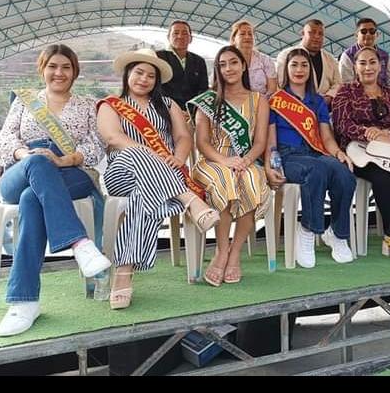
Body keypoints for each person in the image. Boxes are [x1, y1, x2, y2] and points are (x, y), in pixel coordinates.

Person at [0, 44, 109, 336]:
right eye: (53, 66)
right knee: (38, 165)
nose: (59, 73)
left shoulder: (87, 104)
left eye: (66, 67)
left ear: (75, 72)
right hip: (22, 169)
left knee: (32, 199)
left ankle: (24, 302)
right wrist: (27, 156)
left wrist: (62, 160)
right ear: (42, 69)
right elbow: (4, 140)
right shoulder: (24, 101)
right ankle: (80, 244)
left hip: (70, 171)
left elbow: (96, 145)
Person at [97, 48, 219, 310]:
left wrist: (178, 157)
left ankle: (124, 272)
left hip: (161, 176)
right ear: (128, 74)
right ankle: (190, 200)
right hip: (122, 173)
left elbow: (183, 137)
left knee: (144, 196)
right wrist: (152, 155)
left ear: (157, 80)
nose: (144, 79)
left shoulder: (167, 104)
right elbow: (113, 137)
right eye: (139, 72)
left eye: (150, 75)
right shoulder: (110, 105)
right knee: (137, 154)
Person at [332, 46, 390, 262]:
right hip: (359, 150)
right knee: (386, 176)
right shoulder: (345, 92)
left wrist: (386, 133)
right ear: (355, 67)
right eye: (362, 63)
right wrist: (368, 133)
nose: (368, 67)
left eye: (372, 62)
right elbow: (341, 125)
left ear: (380, 66)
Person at [265, 48, 355, 267]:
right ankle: (307, 230)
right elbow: (270, 141)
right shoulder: (275, 100)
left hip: (315, 152)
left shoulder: (317, 101)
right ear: (286, 69)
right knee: (316, 170)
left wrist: (338, 153)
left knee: (343, 173)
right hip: (288, 156)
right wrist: (270, 165)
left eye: (304, 65)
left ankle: (337, 233)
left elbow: (326, 136)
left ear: (310, 70)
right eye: (294, 65)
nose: (299, 70)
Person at [190, 45, 270, 286]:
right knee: (225, 179)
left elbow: (260, 142)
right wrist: (226, 161)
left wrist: (246, 160)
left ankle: (235, 253)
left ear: (243, 65)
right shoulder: (208, 100)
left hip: (246, 160)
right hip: (212, 161)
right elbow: (202, 143)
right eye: (222, 64)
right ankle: (221, 251)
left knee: (252, 180)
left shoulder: (259, 100)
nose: (228, 68)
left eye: (233, 62)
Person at [275, 19, 342, 106]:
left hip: (324, 106)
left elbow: (338, 83)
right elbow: (280, 82)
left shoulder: (330, 59)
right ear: (303, 34)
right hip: (293, 105)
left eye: (320, 34)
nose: (317, 36)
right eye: (312, 32)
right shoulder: (286, 55)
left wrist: (329, 96)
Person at [156, 20, 210, 116]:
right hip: (164, 112)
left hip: (192, 114)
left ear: (190, 38)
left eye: (185, 33)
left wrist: (192, 111)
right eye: (176, 33)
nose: (180, 36)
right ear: (168, 37)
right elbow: (155, 87)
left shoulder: (199, 61)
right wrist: (174, 111)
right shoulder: (158, 57)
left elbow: (203, 90)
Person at [338, 18, 390, 88]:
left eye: (372, 31)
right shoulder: (348, 55)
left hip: (384, 93)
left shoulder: (385, 56)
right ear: (356, 35)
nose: (368, 34)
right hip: (357, 93)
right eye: (363, 31)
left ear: (377, 34)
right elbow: (346, 84)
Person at [230, 19, 277, 97]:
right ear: (234, 39)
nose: (247, 37)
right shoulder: (226, 60)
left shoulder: (266, 60)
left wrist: (259, 102)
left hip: (262, 102)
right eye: (242, 34)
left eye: (250, 34)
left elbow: (272, 90)